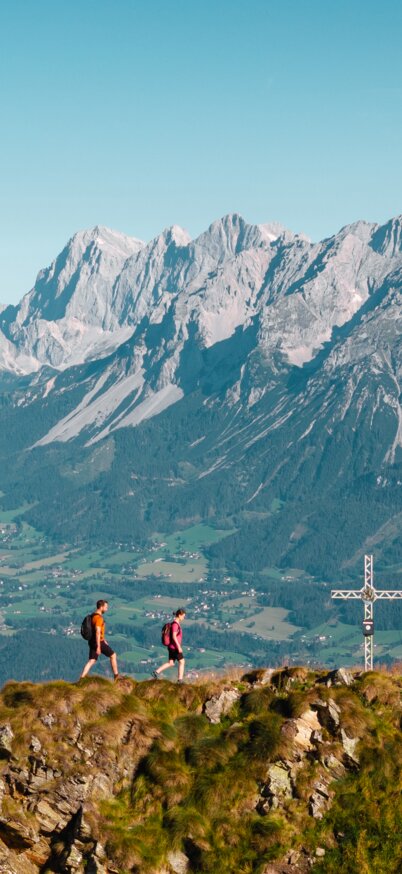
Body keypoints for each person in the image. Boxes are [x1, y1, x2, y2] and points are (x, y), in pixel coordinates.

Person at [80, 599, 119, 680]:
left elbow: (94, 631)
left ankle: (82, 678)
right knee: (113, 655)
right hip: (98, 642)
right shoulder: (99, 618)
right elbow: (98, 632)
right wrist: (98, 646)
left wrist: (103, 639)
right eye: (106, 607)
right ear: (101, 607)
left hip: (91, 641)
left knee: (92, 660)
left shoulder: (92, 616)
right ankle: (116, 676)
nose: (107, 609)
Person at [152, 608, 186, 683]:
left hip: (171, 647)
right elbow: (174, 636)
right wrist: (179, 647)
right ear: (179, 615)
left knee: (171, 663)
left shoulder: (175, 624)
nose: (184, 618)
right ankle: (180, 680)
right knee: (182, 662)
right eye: (183, 616)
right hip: (174, 647)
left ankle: (156, 672)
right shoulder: (175, 625)